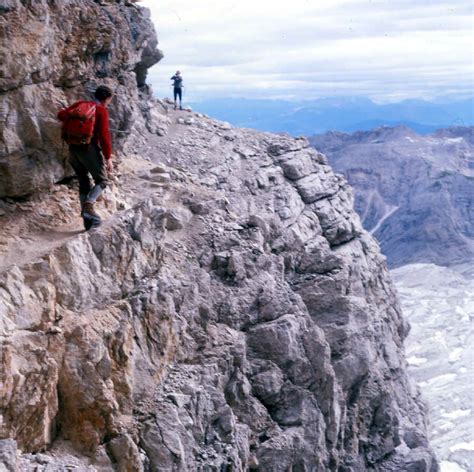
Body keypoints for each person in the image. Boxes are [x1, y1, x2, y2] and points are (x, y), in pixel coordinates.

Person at [57, 85, 114, 230]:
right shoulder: (101, 110)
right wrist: (108, 157)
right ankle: (89, 205)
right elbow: (103, 136)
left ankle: (87, 223)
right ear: (107, 98)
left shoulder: (80, 105)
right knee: (102, 180)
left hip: (73, 149)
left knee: (83, 182)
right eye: (109, 100)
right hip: (89, 149)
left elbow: (61, 115)